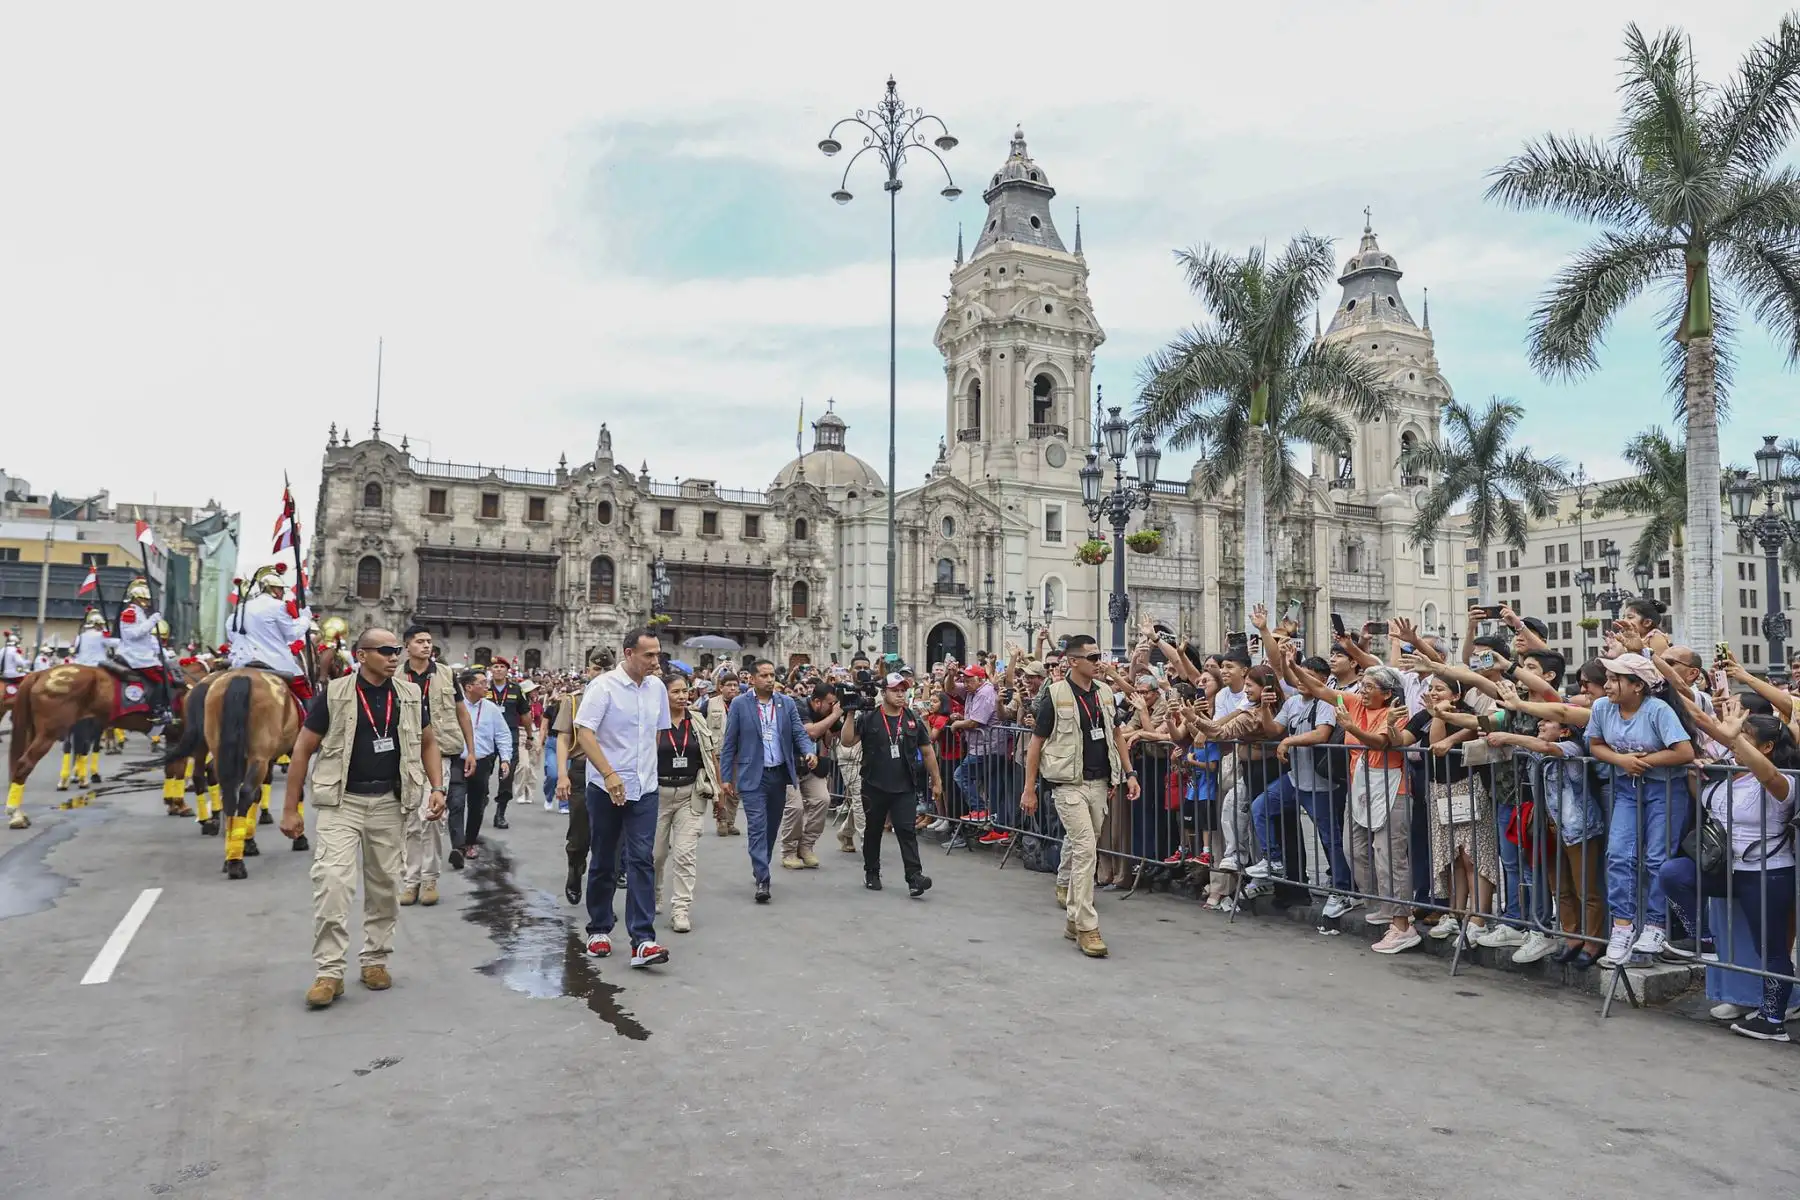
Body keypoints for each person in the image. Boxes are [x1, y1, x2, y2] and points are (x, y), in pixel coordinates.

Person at [281, 627, 447, 1010]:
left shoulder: (409, 694)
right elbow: (304, 748)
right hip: (343, 803)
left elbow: (428, 741)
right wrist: (291, 808)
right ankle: (329, 971)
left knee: (385, 885)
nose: (394, 657)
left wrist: (436, 788)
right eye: (385, 651)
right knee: (333, 882)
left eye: (396, 651)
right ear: (361, 654)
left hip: (390, 802)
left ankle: (375, 959)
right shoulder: (335, 693)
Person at [1657, 701, 1797, 1042]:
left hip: (1767, 872)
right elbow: (1707, 802)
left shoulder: (1784, 781)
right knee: (1674, 873)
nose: (1735, 742)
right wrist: (1696, 777)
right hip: (1726, 868)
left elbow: (1769, 776)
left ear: (1766, 748)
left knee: (1773, 949)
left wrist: (1734, 741)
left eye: (1747, 737)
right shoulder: (1732, 773)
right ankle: (1703, 938)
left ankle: (1773, 1019)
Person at [1019, 633, 1141, 959]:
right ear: (1073, 661)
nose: (1099, 661)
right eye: (1093, 656)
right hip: (1067, 785)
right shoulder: (1054, 695)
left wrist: (1129, 773)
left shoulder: (1104, 693)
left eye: (1099, 655)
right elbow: (1036, 745)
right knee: (1086, 848)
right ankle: (1088, 926)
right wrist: (1029, 788)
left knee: (1087, 847)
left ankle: (1073, 917)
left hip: (1100, 783)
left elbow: (1116, 735)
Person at [1288, 659, 1418, 955]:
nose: (1363, 691)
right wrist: (1290, 665)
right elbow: (1318, 688)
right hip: (1360, 787)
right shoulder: (1353, 702)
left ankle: (1402, 924)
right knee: (1353, 849)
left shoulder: (1395, 712)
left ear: (1386, 693)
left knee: (1389, 857)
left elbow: (1381, 744)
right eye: (1362, 685)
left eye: (1370, 687)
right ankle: (1383, 904)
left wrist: (1351, 728)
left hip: (1392, 789)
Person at [1585, 651, 1695, 966]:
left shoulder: (1658, 710)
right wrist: (1621, 760)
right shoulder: (1601, 708)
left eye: (1614, 679)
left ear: (1637, 686)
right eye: (1607, 678)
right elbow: (1595, 745)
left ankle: (1655, 925)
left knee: (1658, 858)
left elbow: (1683, 751)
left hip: (1665, 790)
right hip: (1626, 789)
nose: (1607, 685)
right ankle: (1622, 926)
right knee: (1618, 854)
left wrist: (1643, 762)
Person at [573, 628, 672, 968]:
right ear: (629, 654)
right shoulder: (603, 687)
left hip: (644, 788)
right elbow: (584, 732)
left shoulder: (657, 688)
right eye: (649, 655)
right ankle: (599, 928)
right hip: (605, 788)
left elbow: (658, 733)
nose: (655, 661)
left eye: (657, 654)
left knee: (642, 858)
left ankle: (643, 940)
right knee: (604, 858)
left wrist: (645, 769)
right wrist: (609, 773)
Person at [718, 659, 816, 903]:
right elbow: (730, 742)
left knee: (772, 826)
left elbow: (798, 732)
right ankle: (763, 877)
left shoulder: (786, 704)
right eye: (764, 675)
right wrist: (726, 776)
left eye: (772, 675)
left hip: (778, 774)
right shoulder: (740, 704)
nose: (770, 679)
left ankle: (761, 861)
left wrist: (808, 750)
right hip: (753, 776)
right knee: (757, 826)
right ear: (752, 679)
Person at [840, 672, 940, 896]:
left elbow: (927, 750)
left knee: (906, 831)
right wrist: (849, 713)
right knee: (873, 831)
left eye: (903, 690)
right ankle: (872, 872)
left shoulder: (911, 718)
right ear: (884, 692)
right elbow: (847, 741)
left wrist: (937, 780)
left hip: (904, 786)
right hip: (874, 785)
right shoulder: (869, 718)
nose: (900, 694)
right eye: (895, 690)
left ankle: (914, 877)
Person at [398, 626, 474, 907]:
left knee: (432, 816)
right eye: (420, 642)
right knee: (409, 819)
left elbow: (461, 713)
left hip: (438, 752)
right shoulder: (396, 675)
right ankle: (410, 880)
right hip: (404, 755)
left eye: (429, 642)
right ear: (407, 646)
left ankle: (429, 879)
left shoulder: (445, 674)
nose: (426, 646)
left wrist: (471, 750)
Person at [652, 674, 720, 933]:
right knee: (656, 855)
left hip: (690, 794)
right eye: (676, 692)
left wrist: (718, 789)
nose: (683, 696)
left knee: (685, 855)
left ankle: (680, 909)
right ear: (663, 695)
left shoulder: (697, 720)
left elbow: (709, 754)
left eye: (685, 691)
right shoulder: (654, 721)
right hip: (658, 794)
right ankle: (654, 892)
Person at [556, 649, 609, 904]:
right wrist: (561, 775)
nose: (600, 675)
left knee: (609, 835)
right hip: (580, 769)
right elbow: (564, 737)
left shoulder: (618, 699)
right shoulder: (574, 700)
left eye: (605, 670)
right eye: (596, 670)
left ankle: (602, 894)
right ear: (588, 671)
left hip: (610, 769)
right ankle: (575, 869)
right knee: (579, 833)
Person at [225, 561, 313, 707]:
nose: (282, 593)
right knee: (305, 691)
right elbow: (292, 634)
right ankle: (308, 722)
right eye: (280, 589)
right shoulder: (277, 606)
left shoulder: (242, 606)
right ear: (271, 589)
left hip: (243, 660)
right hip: (274, 662)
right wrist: (305, 619)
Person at [777, 683, 844, 869]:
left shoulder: (828, 713)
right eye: (830, 704)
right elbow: (811, 732)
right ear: (816, 702)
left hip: (811, 766)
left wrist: (850, 713)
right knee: (796, 808)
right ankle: (789, 851)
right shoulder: (798, 707)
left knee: (822, 800)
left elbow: (840, 736)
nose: (833, 707)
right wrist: (835, 715)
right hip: (789, 765)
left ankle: (806, 847)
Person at [456, 671, 513, 864]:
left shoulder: (491, 709)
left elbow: (503, 735)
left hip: (482, 761)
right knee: (456, 802)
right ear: (468, 687)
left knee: (476, 804)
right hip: (458, 760)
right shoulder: (456, 706)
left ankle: (470, 841)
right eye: (482, 682)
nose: (487, 685)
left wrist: (505, 759)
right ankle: (458, 845)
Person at [115, 576, 173, 722]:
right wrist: (152, 621)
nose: (147, 602)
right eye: (145, 599)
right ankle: (155, 710)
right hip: (136, 655)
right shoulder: (130, 613)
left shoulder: (139, 613)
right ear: (136, 599)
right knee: (162, 680)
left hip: (143, 654)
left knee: (166, 675)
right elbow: (133, 634)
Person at [486, 658, 528, 829]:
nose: (498, 670)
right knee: (482, 772)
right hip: (487, 735)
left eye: (502, 667)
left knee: (506, 775)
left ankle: (500, 813)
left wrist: (530, 736)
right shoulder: (484, 688)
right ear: (491, 670)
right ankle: (481, 798)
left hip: (509, 736)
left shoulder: (516, 690)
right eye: (495, 667)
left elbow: (524, 713)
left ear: (507, 670)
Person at [705, 671, 744, 835]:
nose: (733, 689)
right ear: (721, 687)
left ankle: (730, 822)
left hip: (738, 753)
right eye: (729, 685)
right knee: (721, 789)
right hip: (718, 751)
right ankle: (721, 820)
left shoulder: (744, 704)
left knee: (734, 790)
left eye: (735, 685)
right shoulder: (710, 703)